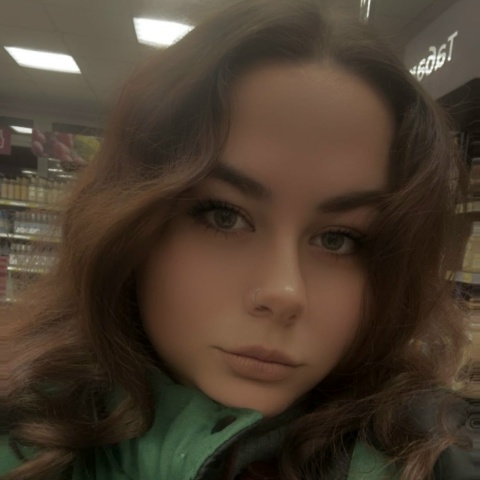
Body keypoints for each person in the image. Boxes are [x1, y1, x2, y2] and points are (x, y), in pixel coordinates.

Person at [0, 1, 477, 479]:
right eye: (224, 216)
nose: (284, 293)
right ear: (129, 224)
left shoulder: (430, 457)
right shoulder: (21, 430)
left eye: (338, 239)